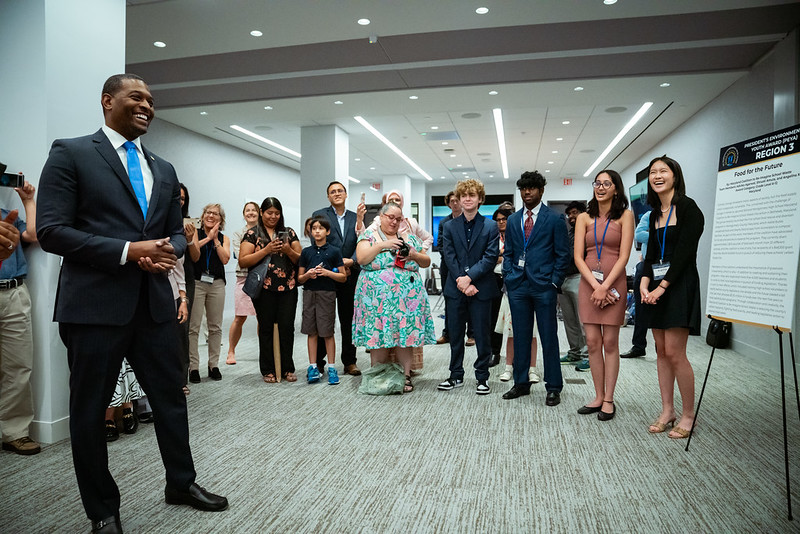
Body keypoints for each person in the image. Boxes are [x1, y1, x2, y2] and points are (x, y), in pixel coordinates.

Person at [36, 73, 227, 533]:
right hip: (95, 308)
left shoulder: (163, 167)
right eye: (136, 97)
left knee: (171, 399)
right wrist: (128, 252)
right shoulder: (72, 153)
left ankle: (181, 482)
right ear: (107, 101)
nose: (147, 106)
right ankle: (103, 510)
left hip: (154, 307)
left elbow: (178, 233)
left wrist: (167, 252)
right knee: (89, 410)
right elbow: (52, 231)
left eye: (151, 100)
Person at [640, 155, 704, 439]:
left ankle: (689, 414)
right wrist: (643, 284)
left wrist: (661, 287)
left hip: (678, 285)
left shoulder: (688, 208)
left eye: (663, 171)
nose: (657, 176)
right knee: (661, 351)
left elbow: (684, 255)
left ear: (675, 176)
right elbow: (651, 255)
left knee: (677, 353)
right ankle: (668, 410)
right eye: (653, 172)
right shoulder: (654, 214)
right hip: (654, 286)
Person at [501, 170, 569, 406]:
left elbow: (563, 254)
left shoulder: (554, 219)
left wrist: (554, 281)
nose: (527, 192)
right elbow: (508, 252)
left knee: (549, 336)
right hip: (518, 286)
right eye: (523, 188)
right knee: (520, 336)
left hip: (544, 286)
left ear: (541, 190)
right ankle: (521, 383)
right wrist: (509, 276)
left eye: (531, 188)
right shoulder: (512, 220)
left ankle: (553, 387)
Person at [352, 202, 435, 392]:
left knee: (404, 339)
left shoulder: (409, 238)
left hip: (407, 301)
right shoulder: (369, 236)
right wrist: (384, 244)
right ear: (380, 217)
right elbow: (362, 259)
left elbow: (426, 261)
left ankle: (406, 376)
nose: (394, 222)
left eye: (398, 219)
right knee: (378, 337)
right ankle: (378, 376)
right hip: (376, 302)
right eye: (391, 217)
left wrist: (414, 255)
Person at [574, 170, 634, 421]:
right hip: (589, 285)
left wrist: (606, 287)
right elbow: (578, 256)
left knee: (610, 343)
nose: (600, 187)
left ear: (616, 189)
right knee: (592, 343)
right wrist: (595, 286)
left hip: (614, 286)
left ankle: (609, 398)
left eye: (606, 184)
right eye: (597, 183)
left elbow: (624, 256)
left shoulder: (626, 216)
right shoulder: (584, 218)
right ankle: (598, 395)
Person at [437, 179, 500, 395]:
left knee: (482, 335)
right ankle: (455, 375)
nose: (467, 198)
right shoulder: (448, 226)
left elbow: (490, 258)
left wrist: (469, 278)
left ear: (480, 199)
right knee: (455, 334)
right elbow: (449, 256)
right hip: (456, 289)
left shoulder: (491, 226)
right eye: (464, 195)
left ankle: (482, 377)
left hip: (481, 288)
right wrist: (463, 282)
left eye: (472, 195)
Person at [239, 197, 302, 383]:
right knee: (265, 328)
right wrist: (266, 250)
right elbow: (243, 261)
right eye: (269, 213)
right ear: (261, 213)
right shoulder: (252, 233)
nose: (273, 216)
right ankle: (267, 369)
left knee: (287, 328)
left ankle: (287, 368)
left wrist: (289, 250)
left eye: (277, 213)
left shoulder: (288, 232)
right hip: (264, 288)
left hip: (288, 287)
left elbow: (301, 260)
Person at [0, 179, 40, 456]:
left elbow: (35, 235)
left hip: (13, 293)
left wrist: (28, 200)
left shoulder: (7, 216)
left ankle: (15, 432)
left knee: (18, 366)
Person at [312, 182, 365, 376]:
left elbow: (363, 242)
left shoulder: (355, 217)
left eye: (340, 191)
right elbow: (317, 243)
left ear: (346, 194)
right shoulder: (320, 214)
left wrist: (351, 262)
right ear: (328, 197)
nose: (336, 194)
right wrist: (337, 267)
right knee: (324, 319)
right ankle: (319, 362)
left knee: (348, 320)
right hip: (328, 275)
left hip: (351, 275)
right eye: (332, 192)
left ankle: (349, 361)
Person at [298, 217, 346, 384]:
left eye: (320, 228)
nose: (317, 231)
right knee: (312, 331)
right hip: (309, 293)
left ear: (328, 231)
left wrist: (327, 273)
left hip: (327, 294)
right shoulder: (306, 252)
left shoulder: (334, 251)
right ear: (310, 232)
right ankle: (313, 367)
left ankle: (332, 368)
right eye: (314, 228)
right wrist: (308, 275)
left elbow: (342, 277)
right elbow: (299, 278)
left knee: (327, 332)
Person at [188, 203, 231, 382]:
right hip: (197, 282)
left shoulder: (224, 238)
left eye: (215, 214)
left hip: (216, 283)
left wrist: (215, 239)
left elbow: (225, 259)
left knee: (215, 326)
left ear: (221, 220)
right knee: (193, 327)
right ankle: (194, 367)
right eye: (208, 212)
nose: (211, 216)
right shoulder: (193, 234)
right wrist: (208, 237)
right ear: (203, 215)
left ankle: (213, 365)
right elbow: (195, 255)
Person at [436, 191, 475, 346]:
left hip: (468, 268)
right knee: (450, 301)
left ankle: (471, 334)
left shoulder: (468, 220)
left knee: (470, 300)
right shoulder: (444, 222)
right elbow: (442, 246)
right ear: (449, 203)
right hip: (448, 267)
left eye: (456, 200)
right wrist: (454, 263)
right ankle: (448, 333)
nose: (454, 203)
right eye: (451, 201)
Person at [226, 201, 260, 365]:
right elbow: (242, 257)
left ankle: (264, 351)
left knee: (263, 318)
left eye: (254, 210)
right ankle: (231, 351)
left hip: (262, 277)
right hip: (244, 277)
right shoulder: (238, 233)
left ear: (259, 213)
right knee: (239, 317)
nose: (251, 213)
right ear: (243, 213)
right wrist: (259, 254)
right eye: (248, 210)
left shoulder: (264, 231)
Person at [558, 201, 590, 369]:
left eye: (575, 213)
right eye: (569, 214)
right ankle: (574, 353)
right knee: (569, 321)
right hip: (564, 279)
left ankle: (588, 356)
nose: (571, 216)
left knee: (583, 320)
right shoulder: (569, 234)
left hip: (580, 278)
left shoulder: (588, 233)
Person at [621, 209, 651, 358]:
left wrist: (652, 234)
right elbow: (639, 235)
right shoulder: (648, 215)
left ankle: (664, 349)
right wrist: (661, 235)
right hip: (645, 265)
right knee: (640, 308)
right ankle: (638, 346)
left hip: (665, 268)